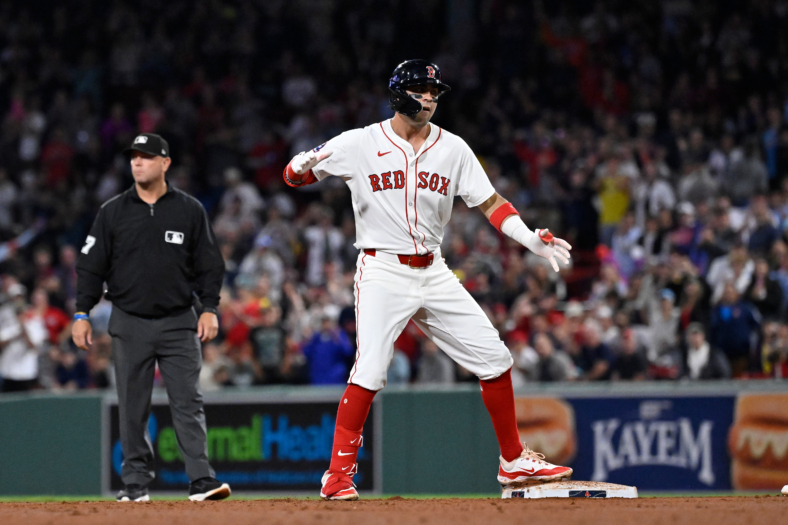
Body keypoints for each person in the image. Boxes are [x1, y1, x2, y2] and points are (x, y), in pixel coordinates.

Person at [283, 60, 573, 501]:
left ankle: (513, 462)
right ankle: (337, 475)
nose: (432, 98)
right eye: (423, 90)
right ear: (401, 93)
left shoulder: (453, 148)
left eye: (435, 91)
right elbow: (294, 178)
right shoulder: (359, 142)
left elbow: (492, 203)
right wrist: (300, 163)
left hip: (434, 269)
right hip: (382, 268)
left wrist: (529, 239)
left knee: (495, 357)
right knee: (372, 369)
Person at [72, 133, 231, 503]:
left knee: (188, 402)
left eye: (145, 157)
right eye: (133, 157)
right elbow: (90, 268)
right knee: (131, 406)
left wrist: (209, 308)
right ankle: (135, 484)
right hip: (129, 321)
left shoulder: (189, 209)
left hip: (178, 320)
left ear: (165, 163)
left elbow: (211, 265)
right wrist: (82, 312)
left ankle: (201, 481)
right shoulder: (112, 211)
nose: (137, 163)